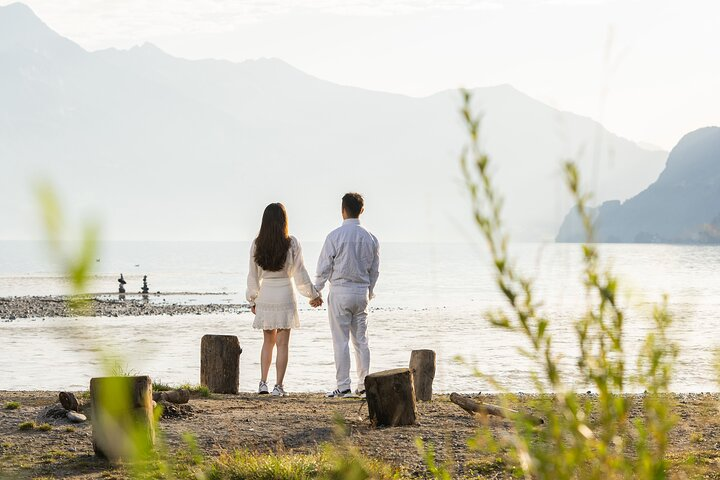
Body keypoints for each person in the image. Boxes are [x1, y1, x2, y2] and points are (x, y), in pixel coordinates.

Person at [247, 203, 322, 397]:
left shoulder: (257, 243)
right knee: (282, 344)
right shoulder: (292, 243)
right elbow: (300, 273)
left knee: (267, 342)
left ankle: (262, 383)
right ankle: (278, 387)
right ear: (284, 221)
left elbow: (253, 276)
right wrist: (313, 295)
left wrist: (253, 299)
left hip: (266, 294)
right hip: (285, 294)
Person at [314, 192, 379, 398]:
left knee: (340, 341)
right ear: (362, 210)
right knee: (361, 341)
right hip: (361, 292)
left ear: (342, 210)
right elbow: (375, 270)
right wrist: (369, 291)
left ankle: (343, 386)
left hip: (340, 291)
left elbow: (324, 267)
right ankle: (364, 384)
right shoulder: (370, 237)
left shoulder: (334, 236)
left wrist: (316, 291)